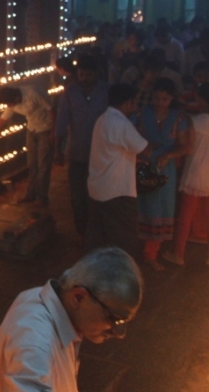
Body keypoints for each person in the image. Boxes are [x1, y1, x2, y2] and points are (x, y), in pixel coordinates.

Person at [0, 247, 142, 392]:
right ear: (79, 297)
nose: (118, 333)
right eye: (113, 318)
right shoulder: (34, 339)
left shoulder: (40, 298)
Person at [130, 78, 192, 270]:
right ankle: (135, 252)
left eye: (164, 99)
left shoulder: (179, 118)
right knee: (141, 208)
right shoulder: (141, 114)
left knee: (161, 210)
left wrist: (168, 155)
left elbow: (186, 146)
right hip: (142, 166)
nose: (159, 102)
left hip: (165, 170)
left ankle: (151, 254)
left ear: (171, 99)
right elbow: (129, 137)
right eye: (157, 98)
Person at [86, 84, 151, 257]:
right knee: (124, 238)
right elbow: (144, 149)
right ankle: (120, 275)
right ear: (129, 102)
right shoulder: (121, 123)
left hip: (98, 187)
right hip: (117, 192)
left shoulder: (103, 119)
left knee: (101, 238)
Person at [54, 55, 109, 237]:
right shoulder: (70, 92)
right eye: (81, 74)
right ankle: (82, 232)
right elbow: (62, 120)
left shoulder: (105, 91)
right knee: (78, 196)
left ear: (96, 74)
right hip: (76, 151)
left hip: (100, 153)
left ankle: (96, 230)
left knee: (97, 195)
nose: (84, 78)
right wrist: (57, 149)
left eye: (88, 74)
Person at [0, 85, 54, 206]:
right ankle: (31, 194)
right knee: (32, 164)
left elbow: (52, 110)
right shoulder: (12, 103)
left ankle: (42, 197)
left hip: (45, 129)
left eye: (9, 103)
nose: (9, 107)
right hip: (32, 129)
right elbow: (2, 119)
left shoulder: (33, 93)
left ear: (16, 97)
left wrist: (54, 132)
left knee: (44, 165)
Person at [165, 83, 209, 265]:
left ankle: (179, 254)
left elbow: (187, 148)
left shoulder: (194, 122)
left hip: (194, 174)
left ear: (200, 99)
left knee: (185, 215)